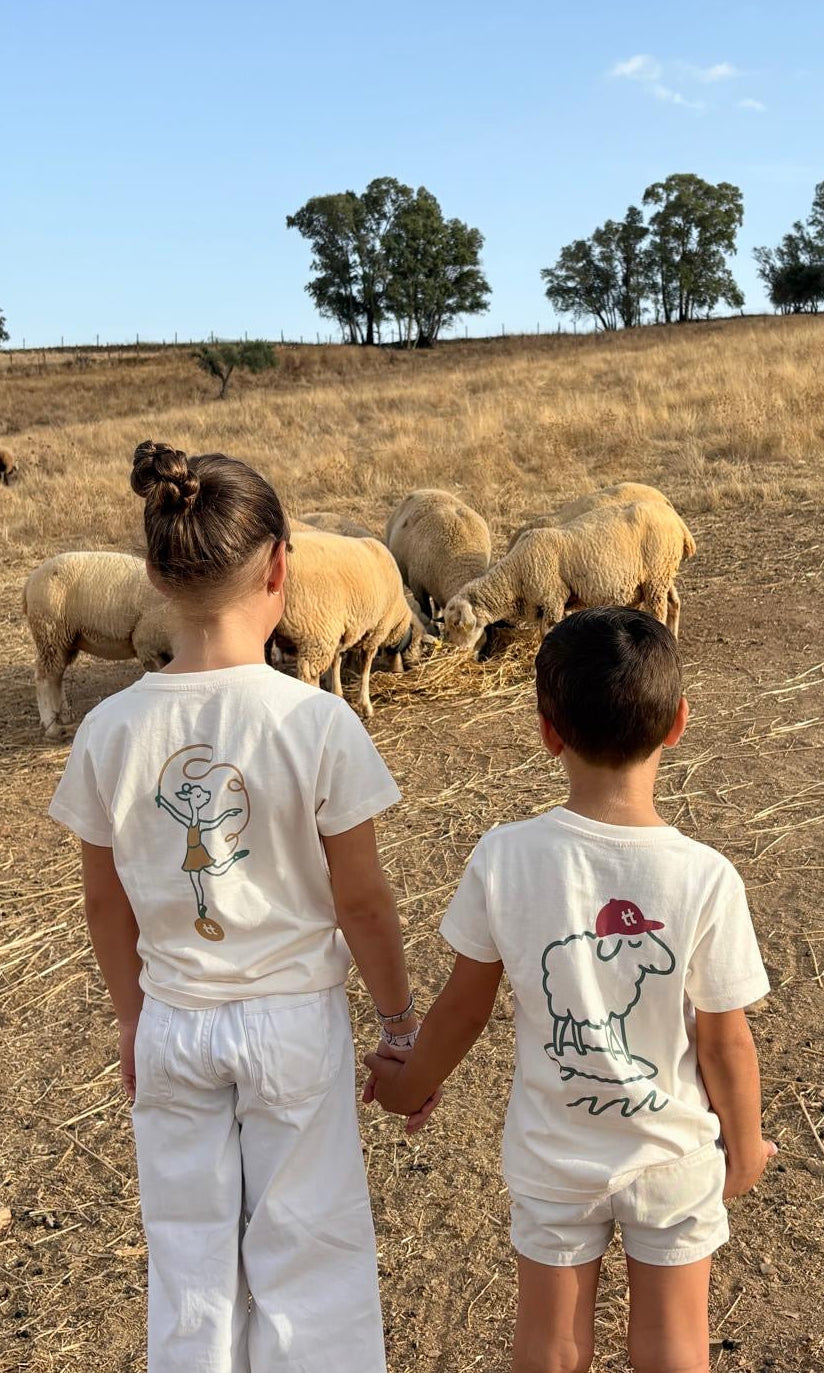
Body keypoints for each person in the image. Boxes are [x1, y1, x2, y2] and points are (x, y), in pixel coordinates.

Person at [49, 440, 425, 1373]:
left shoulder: (107, 730)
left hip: (174, 1022)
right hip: (292, 1025)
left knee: (189, 1259)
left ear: (153, 575)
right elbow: (364, 898)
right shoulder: (316, 721)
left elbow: (104, 902)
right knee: (311, 1253)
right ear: (281, 567)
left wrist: (135, 1020)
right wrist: (398, 1016)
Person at [365, 607, 775, 1373]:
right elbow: (725, 1040)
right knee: (674, 1345)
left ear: (547, 730)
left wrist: (409, 1081)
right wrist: (744, 1146)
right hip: (672, 1154)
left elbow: (464, 1006)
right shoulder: (705, 876)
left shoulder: (507, 856)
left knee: (550, 1345)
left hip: (555, 1154)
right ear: (679, 723)